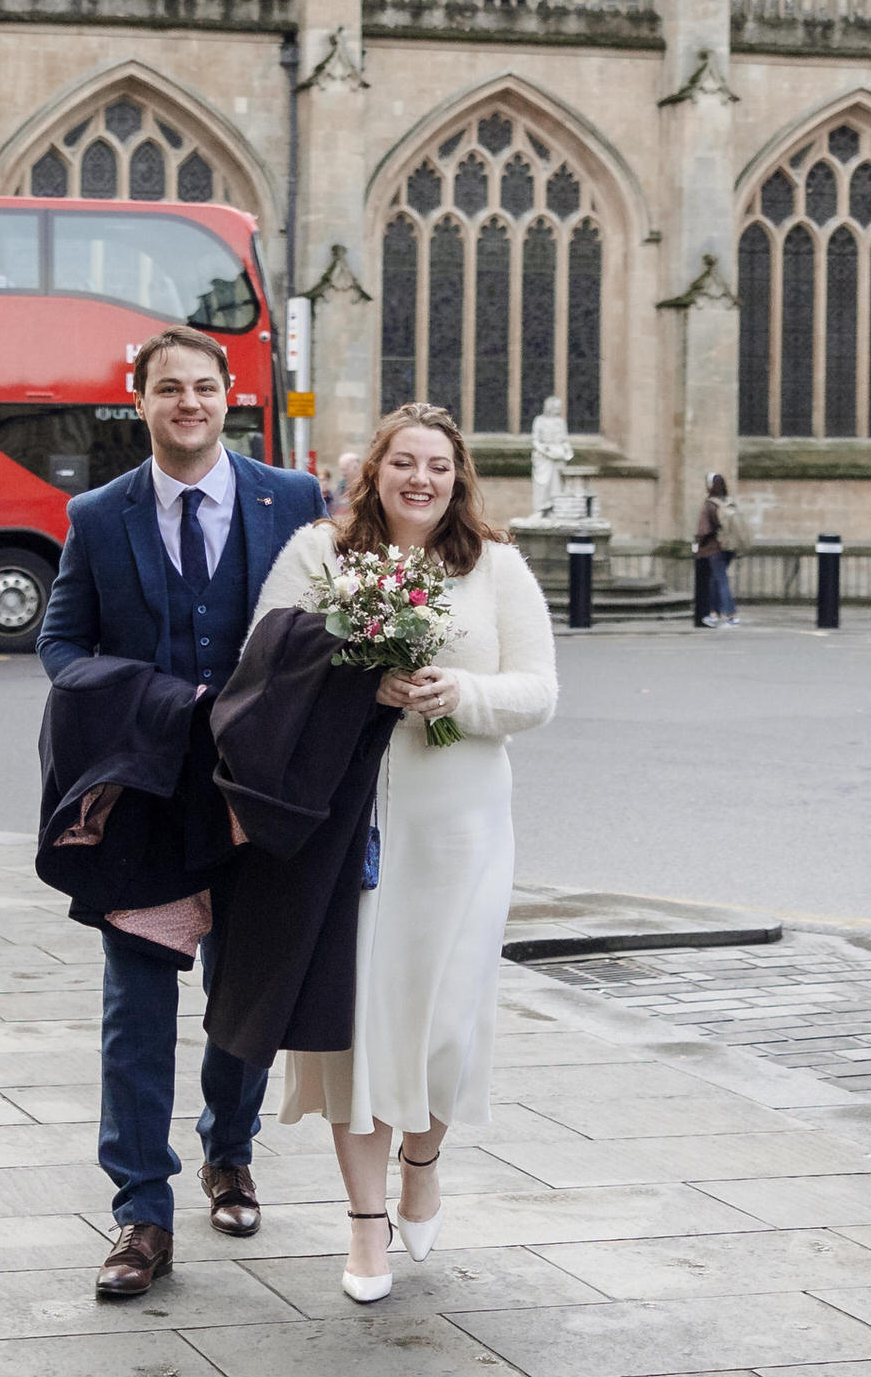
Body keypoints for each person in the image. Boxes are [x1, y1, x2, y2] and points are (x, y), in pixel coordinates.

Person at [35, 325, 327, 1298]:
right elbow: (62, 648)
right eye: (169, 389)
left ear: (231, 396)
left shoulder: (292, 501)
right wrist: (152, 707)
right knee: (138, 1006)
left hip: (254, 795)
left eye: (205, 387)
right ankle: (140, 1215)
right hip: (150, 802)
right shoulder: (96, 516)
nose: (189, 403)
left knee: (247, 990)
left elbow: (326, 632)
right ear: (141, 402)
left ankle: (230, 1149)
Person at [249, 402, 557, 1303]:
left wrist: (455, 689)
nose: (421, 478)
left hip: (462, 826)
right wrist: (357, 681)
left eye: (439, 465)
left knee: (447, 1021)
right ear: (373, 472)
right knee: (360, 1025)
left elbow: (538, 690)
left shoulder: (494, 564)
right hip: (352, 822)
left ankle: (425, 1155)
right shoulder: (320, 553)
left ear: (459, 477)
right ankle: (364, 1226)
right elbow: (262, 661)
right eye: (403, 462)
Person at [696, 472, 742, 627]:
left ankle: (731, 615)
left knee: (721, 580)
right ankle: (714, 614)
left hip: (715, 547)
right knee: (715, 580)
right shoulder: (728, 502)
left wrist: (698, 544)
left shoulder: (710, 504)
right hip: (729, 546)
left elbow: (704, 530)